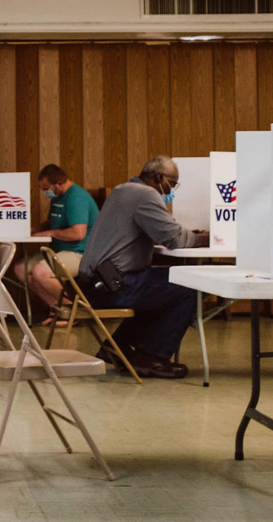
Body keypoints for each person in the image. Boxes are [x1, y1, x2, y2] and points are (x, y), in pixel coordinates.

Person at [77, 156, 209, 379]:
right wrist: (207, 238)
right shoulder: (146, 194)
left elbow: (162, 232)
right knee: (190, 286)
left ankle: (118, 345)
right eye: (172, 184)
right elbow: (174, 239)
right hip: (112, 287)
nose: (171, 190)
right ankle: (152, 356)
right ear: (159, 178)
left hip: (94, 284)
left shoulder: (122, 190)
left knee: (164, 286)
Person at [13, 164, 99, 314]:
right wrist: (34, 230)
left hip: (80, 253)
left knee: (41, 272)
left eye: (46, 189)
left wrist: (50, 233)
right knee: (21, 269)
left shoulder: (76, 198)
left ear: (58, 184)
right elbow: (51, 222)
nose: (46, 192)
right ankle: (57, 309)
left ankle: (72, 312)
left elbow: (78, 233)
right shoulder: (58, 196)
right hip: (59, 250)